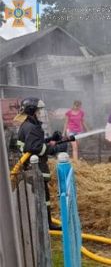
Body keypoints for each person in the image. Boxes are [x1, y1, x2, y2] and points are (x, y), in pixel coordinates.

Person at [16, 97, 62, 230]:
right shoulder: (32, 127)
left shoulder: (27, 125)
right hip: (36, 168)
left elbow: (33, 142)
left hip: (30, 167)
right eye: (38, 110)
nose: (41, 113)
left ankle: (46, 223)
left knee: (44, 198)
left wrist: (51, 139)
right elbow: (34, 147)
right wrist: (54, 149)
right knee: (41, 197)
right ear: (32, 111)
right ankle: (44, 225)